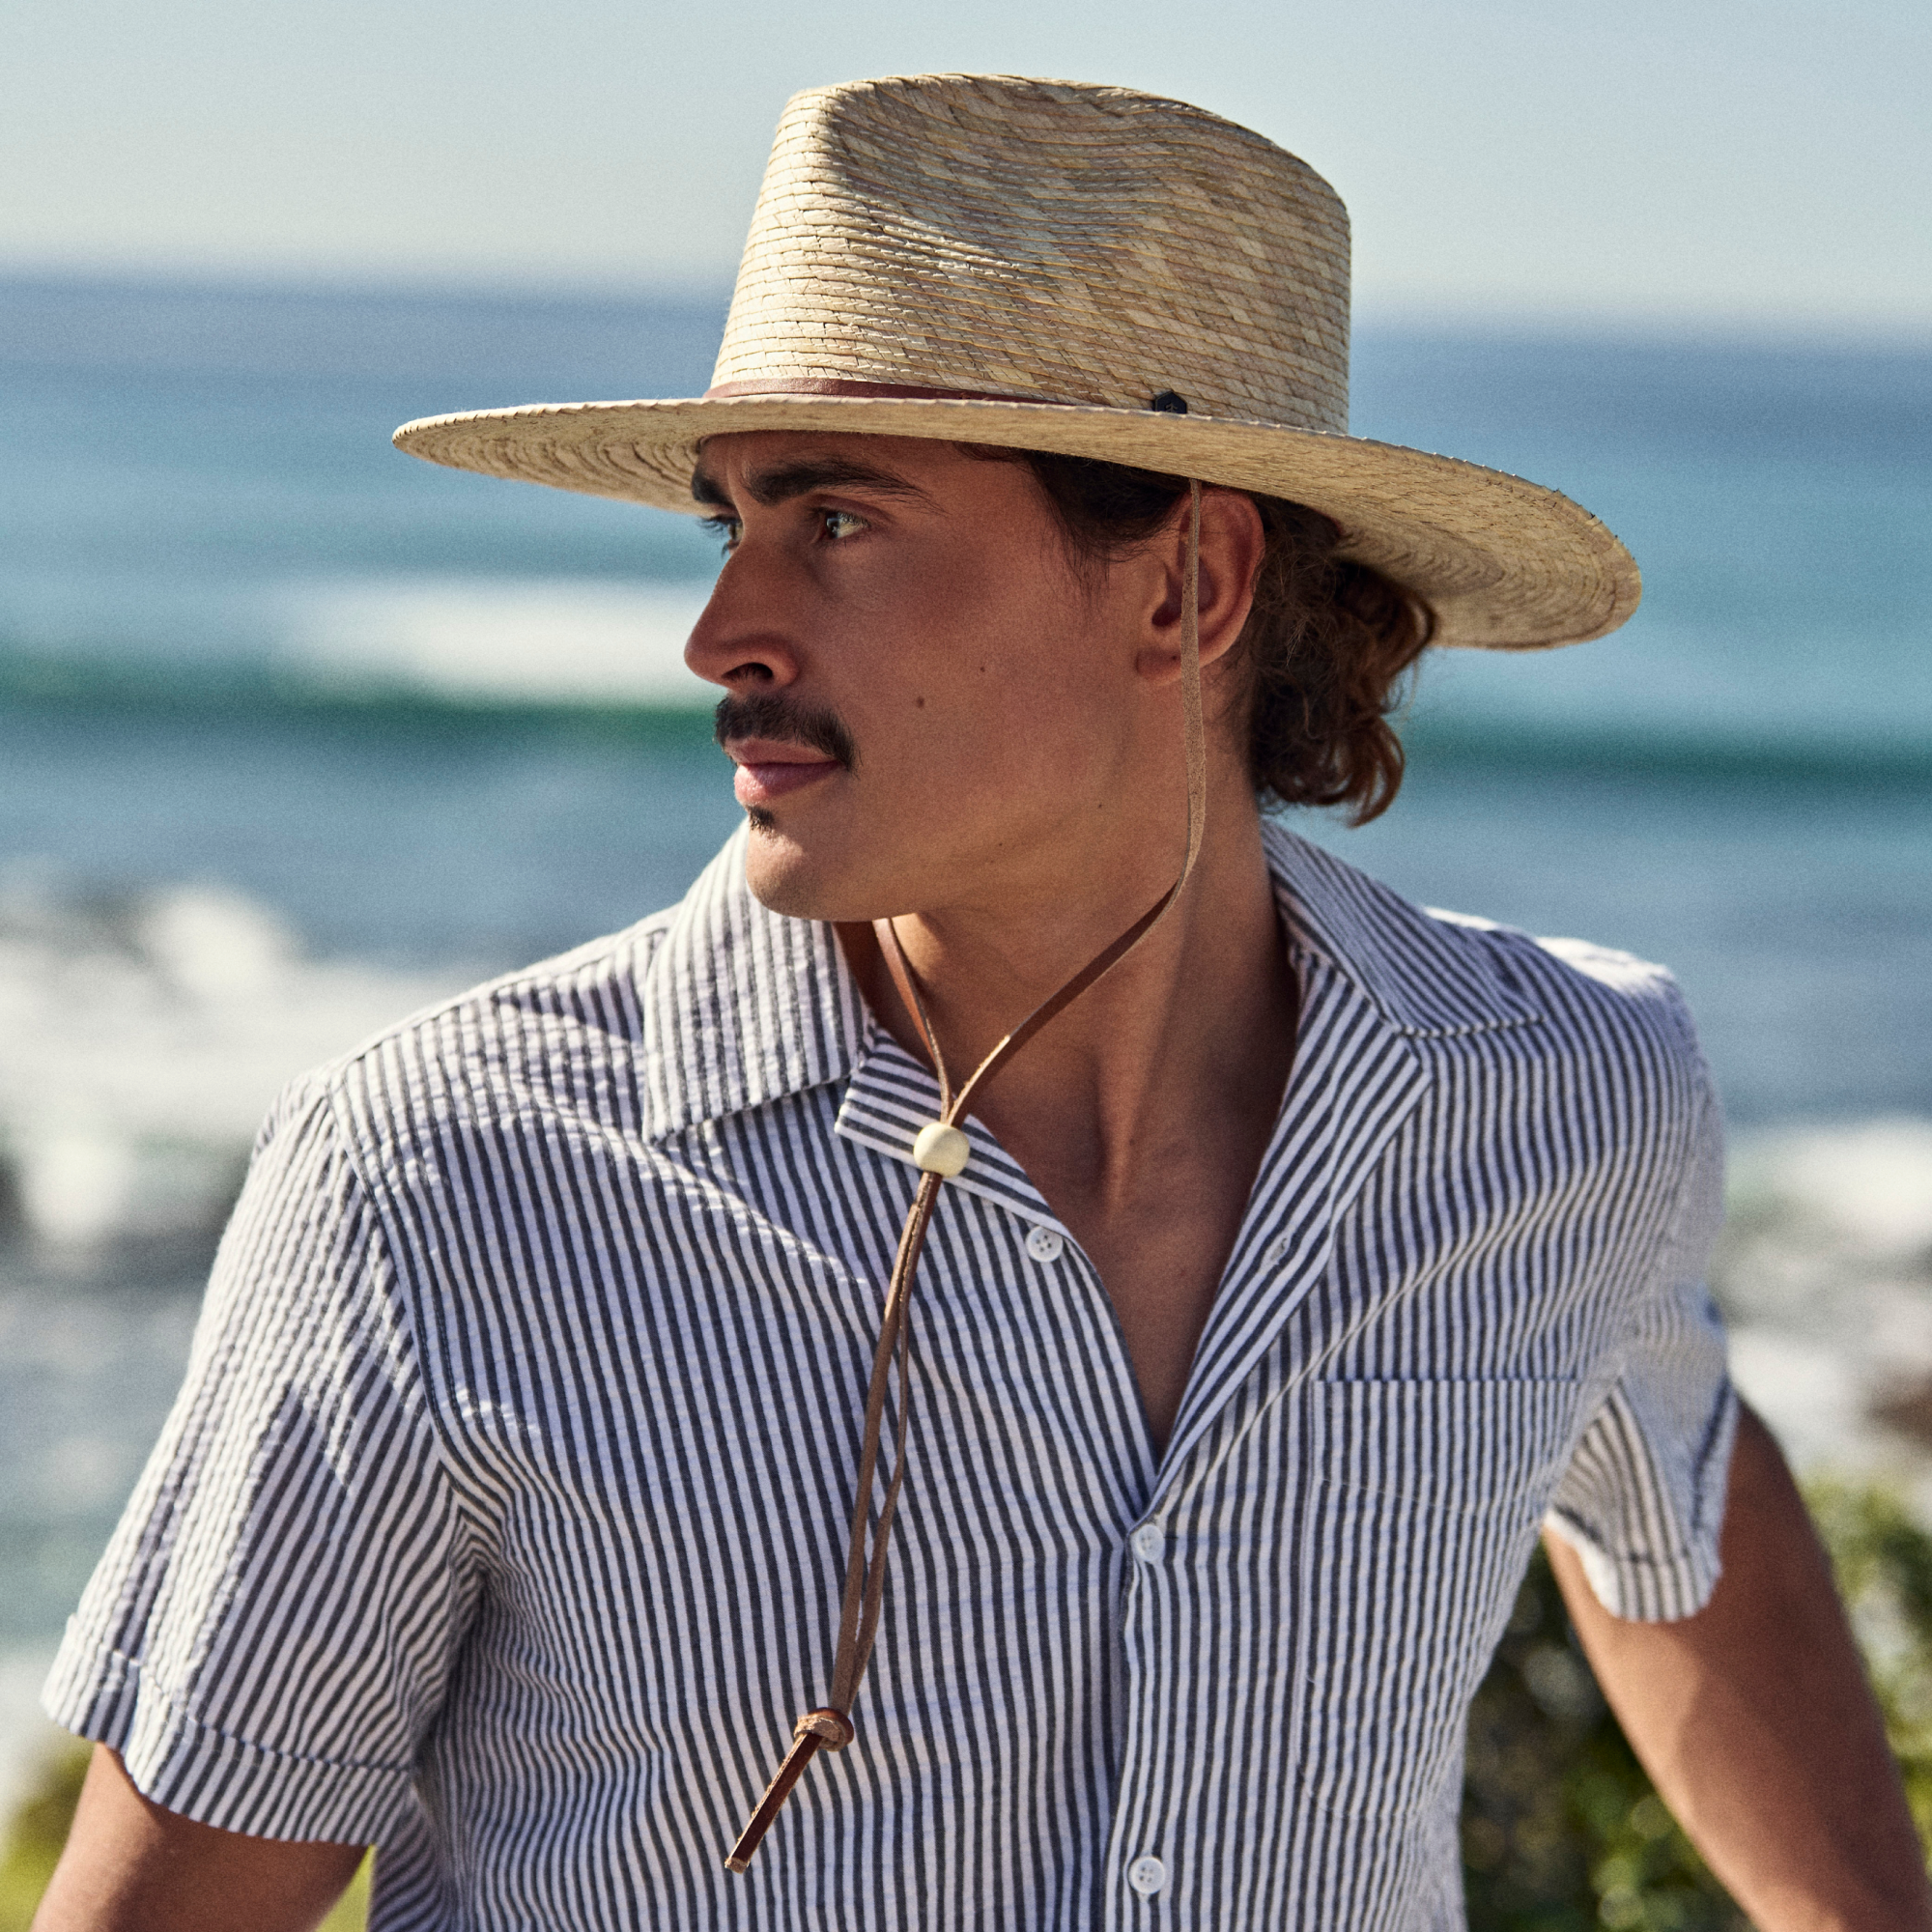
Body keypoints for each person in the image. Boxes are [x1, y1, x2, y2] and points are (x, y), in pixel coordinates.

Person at [32, 72, 1929, 1932]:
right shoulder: (446, 1182)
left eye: (837, 522)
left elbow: (1669, 1488)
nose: (718, 634)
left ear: (1186, 581)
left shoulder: (1567, 1101)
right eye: (729, 526)